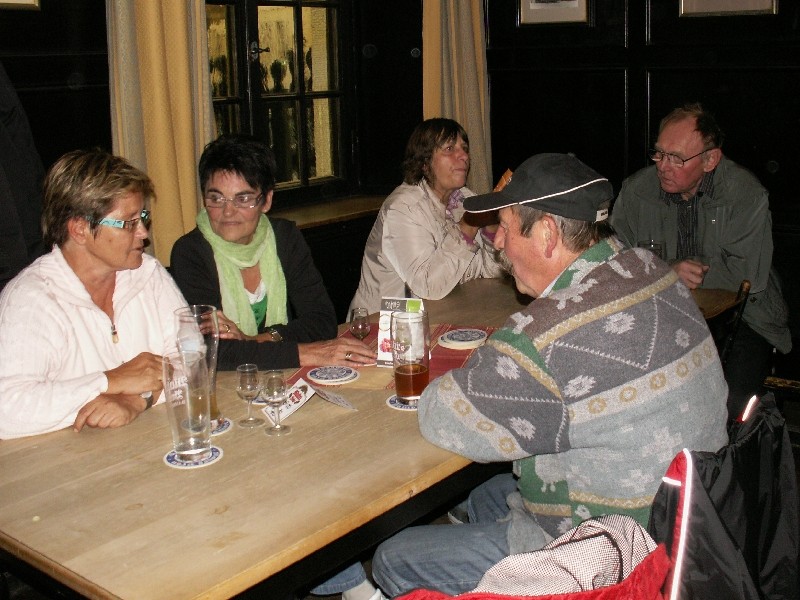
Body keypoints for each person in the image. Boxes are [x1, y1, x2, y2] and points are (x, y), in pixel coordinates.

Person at [371, 153, 729, 597]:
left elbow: (442, 416)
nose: (498, 243)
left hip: (612, 560)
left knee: (393, 556)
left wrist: (491, 362)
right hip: (694, 524)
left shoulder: (543, 338)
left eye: (505, 227)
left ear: (547, 234)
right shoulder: (650, 268)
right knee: (486, 495)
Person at [610, 103, 791, 419]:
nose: (663, 166)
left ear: (710, 160)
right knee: (629, 387)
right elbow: (613, 259)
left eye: (676, 158)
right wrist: (668, 271)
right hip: (661, 310)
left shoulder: (745, 194)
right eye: (659, 153)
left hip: (742, 316)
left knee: (727, 405)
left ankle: (728, 446)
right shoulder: (638, 191)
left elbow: (747, 275)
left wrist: (686, 272)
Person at [0, 150, 186, 440]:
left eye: (143, 217)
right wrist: (109, 381)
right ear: (80, 230)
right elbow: (8, 409)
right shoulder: (32, 300)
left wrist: (139, 399)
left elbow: (193, 360)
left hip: (150, 444)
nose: (143, 233)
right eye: (128, 222)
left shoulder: (148, 274)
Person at [170, 134, 374, 370]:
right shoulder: (190, 252)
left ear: (266, 200)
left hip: (278, 374)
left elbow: (322, 321)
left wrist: (255, 340)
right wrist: (303, 353)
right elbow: (214, 351)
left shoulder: (284, 237)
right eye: (216, 198)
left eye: (243, 198)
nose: (228, 211)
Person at [349, 118, 503, 314]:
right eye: (449, 149)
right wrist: (468, 227)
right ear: (424, 162)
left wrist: (491, 228)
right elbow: (429, 287)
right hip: (384, 322)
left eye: (464, 148)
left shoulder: (466, 199)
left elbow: (492, 272)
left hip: (447, 312)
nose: (463, 155)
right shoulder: (403, 208)